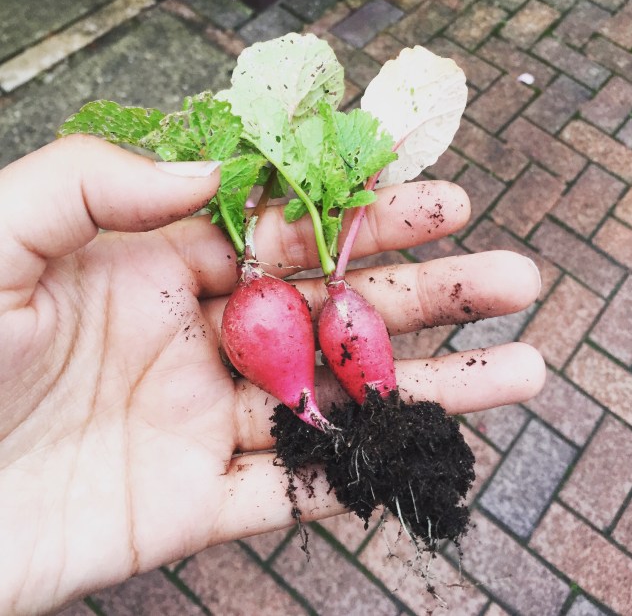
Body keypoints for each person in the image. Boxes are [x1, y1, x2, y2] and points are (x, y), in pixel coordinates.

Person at [0, 135, 545, 615]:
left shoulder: (318, 310)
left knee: (351, 340)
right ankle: (350, 400)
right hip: (262, 301)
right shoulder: (255, 304)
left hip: (326, 305)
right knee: (305, 374)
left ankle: (378, 399)